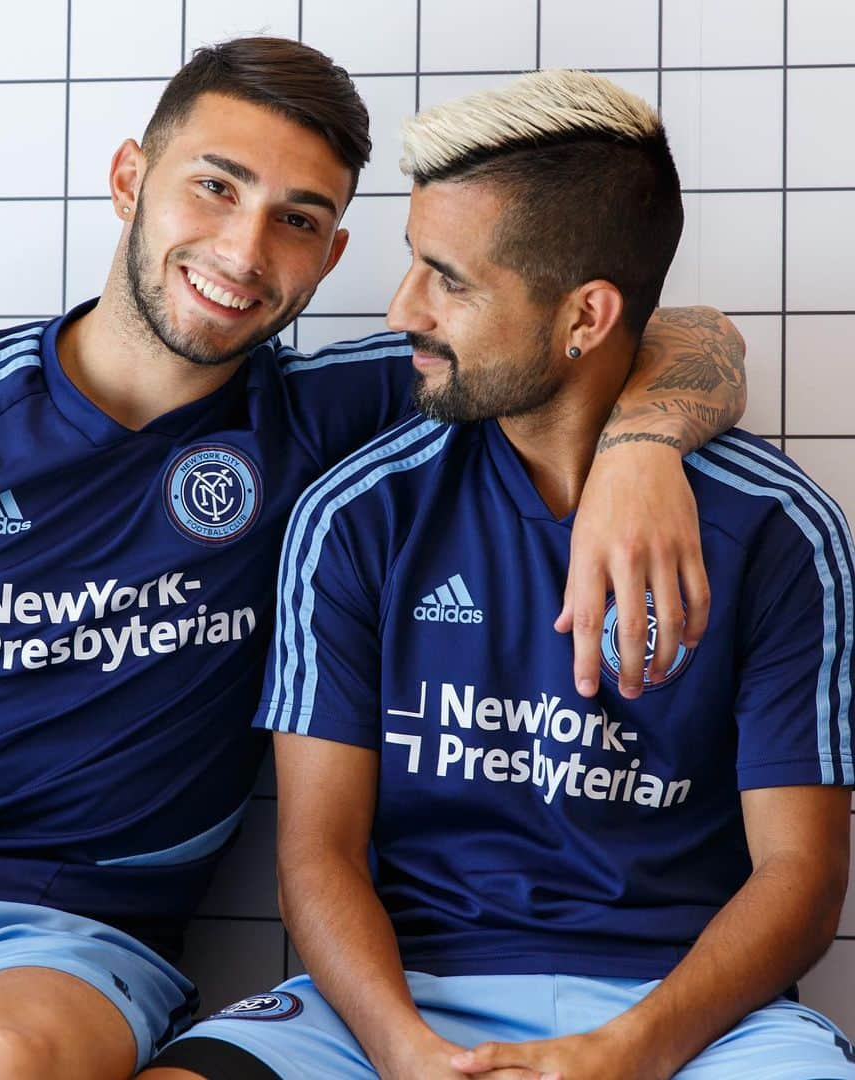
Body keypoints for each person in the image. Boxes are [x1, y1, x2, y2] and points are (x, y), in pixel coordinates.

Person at [0, 41, 746, 1080]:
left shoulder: (337, 418)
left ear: (328, 259)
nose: (243, 252)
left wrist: (643, 450)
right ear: (128, 182)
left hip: (69, 938)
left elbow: (678, 329)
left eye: (297, 219)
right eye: (214, 188)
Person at [147, 70, 854, 1080]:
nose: (400, 310)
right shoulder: (356, 513)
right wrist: (406, 1053)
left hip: (688, 1017)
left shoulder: (778, 527)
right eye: (410, 265)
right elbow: (318, 856)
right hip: (402, 999)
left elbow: (803, 877)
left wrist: (632, 1051)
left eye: (450, 279)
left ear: (586, 317)